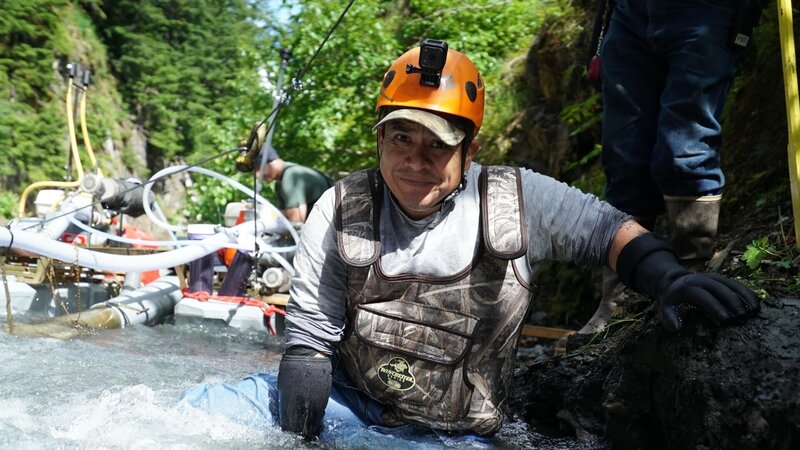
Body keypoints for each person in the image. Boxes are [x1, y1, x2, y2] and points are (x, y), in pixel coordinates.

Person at [181, 40, 759, 441]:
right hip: (345, 401)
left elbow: (609, 231)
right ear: (379, 140)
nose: (414, 161)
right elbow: (309, 341)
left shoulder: (518, 198)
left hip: (449, 434)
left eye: (436, 144)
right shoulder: (338, 205)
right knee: (184, 420)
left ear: (470, 150)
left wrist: (671, 278)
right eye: (400, 138)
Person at [579, 0, 769, 334]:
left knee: (685, 150)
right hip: (629, 11)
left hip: (707, 11)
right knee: (624, 157)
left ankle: (690, 281)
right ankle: (618, 300)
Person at [256, 145, 334, 223]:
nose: (257, 175)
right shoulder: (280, 183)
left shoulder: (291, 176)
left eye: (259, 168)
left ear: (272, 161)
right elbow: (283, 219)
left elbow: (296, 224)